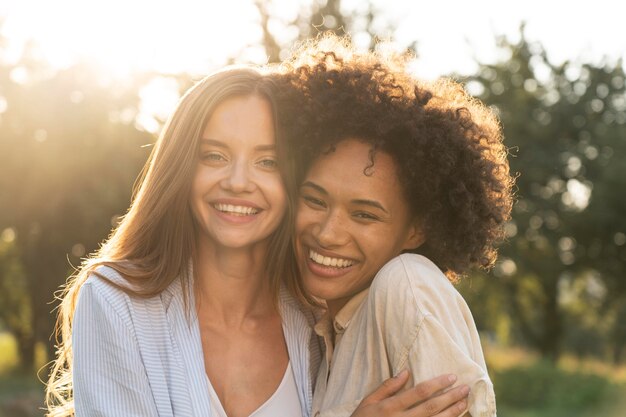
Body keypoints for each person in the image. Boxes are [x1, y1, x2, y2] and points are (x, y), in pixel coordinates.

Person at [45, 64, 469, 417]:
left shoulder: (317, 320)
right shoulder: (117, 302)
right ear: (181, 168)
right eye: (214, 155)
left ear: (293, 179)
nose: (238, 182)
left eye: (267, 161)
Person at [276, 35, 514, 417]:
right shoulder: (324, 331)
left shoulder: (406, 284)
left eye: (364, 214)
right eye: (315, 200)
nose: (327, 233)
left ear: (416, 230)